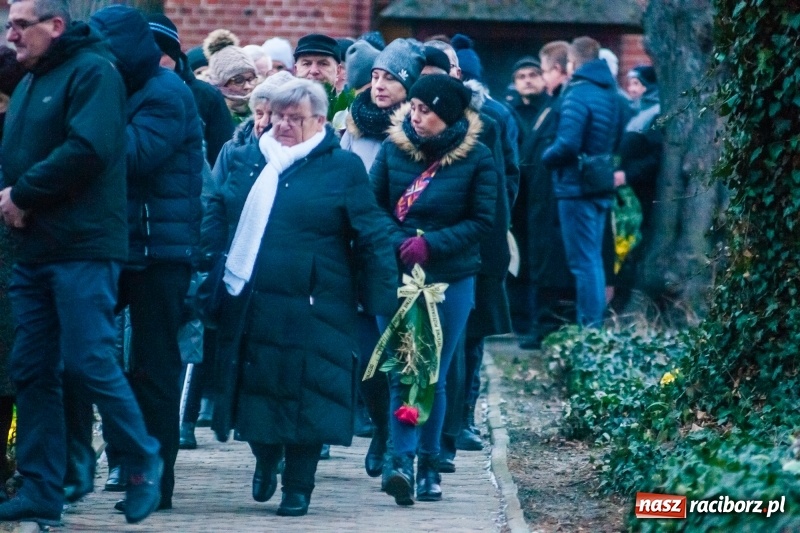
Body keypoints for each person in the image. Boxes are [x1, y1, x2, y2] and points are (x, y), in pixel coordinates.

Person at [0, 0, 162, 524]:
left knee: (90, 359)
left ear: (55, 25)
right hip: (35, 249)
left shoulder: (93, 71)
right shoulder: (28, 83)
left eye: (21, 24)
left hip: (83, 248)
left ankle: (141, 465)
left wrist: (22, 194)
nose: (11, 34)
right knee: (31, 368)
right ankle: (41, 486)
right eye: (8, 24)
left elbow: (89, 149)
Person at [204, 78, 397, 517]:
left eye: (295, 118)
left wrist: (379, 294)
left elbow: (369, 231)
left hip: (317, 302)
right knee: (256, 387)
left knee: (309, 393)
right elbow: (218, 209)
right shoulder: (249, 158)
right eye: (277, 116)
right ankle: (265, 457)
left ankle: (298, 487)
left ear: (320, 121)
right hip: (251, 295)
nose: (283, 125)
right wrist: (208, 261)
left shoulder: (342, 167)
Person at [88, 5, 204, 513]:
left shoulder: (167, 94)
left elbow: (131, 156)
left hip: (161, 251)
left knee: (155, 368)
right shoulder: (123, 89)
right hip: (116, 244)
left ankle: (156, 480)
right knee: (91, 357)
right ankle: (114, 462)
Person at [371, 74, 497, 505]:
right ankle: (401, 462)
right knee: (404, 370)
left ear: (448, 117)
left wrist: (433, 244)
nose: (416, 116)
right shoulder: (392, 150)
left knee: (434, 375)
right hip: (398, 273)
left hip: (451, 278)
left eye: (427, 111)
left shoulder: (478, 158)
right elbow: (372, 207)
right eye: (415, 107)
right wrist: (399, 243)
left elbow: (483, 221)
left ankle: (429, 464)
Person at [340, 37, 424, 482]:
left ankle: (394, 442)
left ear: (407, 86)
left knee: (393, 354)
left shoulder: (414, 132)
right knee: (363, 355)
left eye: (389, 78)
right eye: (375, 76)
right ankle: (378, 427)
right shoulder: (350, 122)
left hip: (394, 252)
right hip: (355, 250)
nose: (379, 85)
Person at [541, 36, 623, 328]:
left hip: (576, 186)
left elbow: (567, 144)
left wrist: (545, 157)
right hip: (599, 181)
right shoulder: (609, 92)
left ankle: (589, 329)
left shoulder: (577, 93)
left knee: (582, 263)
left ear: (573, 63)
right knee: (594, 260)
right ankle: (594, 329)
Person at [517, 41, 574, 350]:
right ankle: (543, 324)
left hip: (551, 198)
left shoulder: (562, 105)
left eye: (541, 71)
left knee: (552, 264)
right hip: (540, 197)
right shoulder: (552, 105)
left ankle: (550, 325)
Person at [148, 14, 234, 168]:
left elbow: (222, 158)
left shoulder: (206, 96)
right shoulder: (128, 90)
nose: (152, 61)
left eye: (161, 54)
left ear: (174, 54)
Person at [203, 29, 259, 125]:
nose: (248, 86)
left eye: (251, 78)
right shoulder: (207, 113)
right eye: (238, 80)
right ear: (220, 83)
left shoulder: (263, 112)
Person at [505, 56, 548, 139]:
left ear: (543, 80)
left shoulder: (553, 107)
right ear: (515, 85)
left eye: (533, 75)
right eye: (521, 77)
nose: (527, 81)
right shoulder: (509, 111)